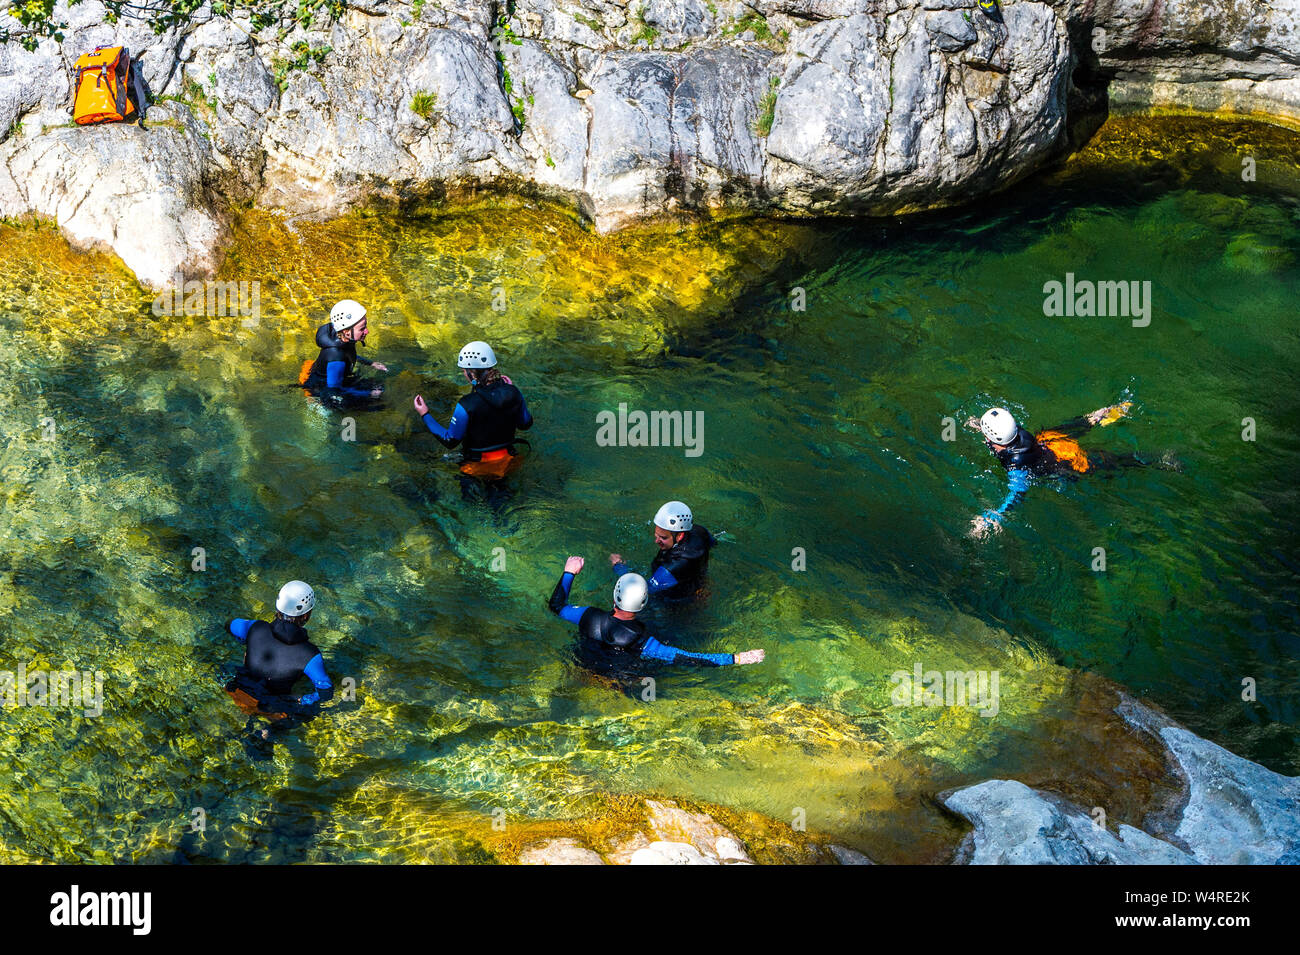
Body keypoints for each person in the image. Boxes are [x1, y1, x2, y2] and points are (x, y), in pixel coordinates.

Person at [548, 556, 763, 678]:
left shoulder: (587, 615)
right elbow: (688, 658)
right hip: (616, 682)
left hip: (578, 668)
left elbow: (557, 606)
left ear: (614, 596)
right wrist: (736, 658)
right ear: (643, 604)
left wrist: (570, 572)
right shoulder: (644, 642)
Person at [965, 402, 1140, 538]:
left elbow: (1017, 494)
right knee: (1077, 427)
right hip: (1052, 441)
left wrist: (993, 518)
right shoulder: (1016, 431)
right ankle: (1100, 416)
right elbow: (1000, 433)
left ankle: (1156, 460)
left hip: (1068, 463)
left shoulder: (1016, 464)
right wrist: (980, 427)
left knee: (1120, 461)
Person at [413, 341, 533, 500]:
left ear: (470, 373)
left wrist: (425, 414)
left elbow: (450, 441)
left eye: (463, 371)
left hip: (476, 466)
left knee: (471, 503)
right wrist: (511, 392)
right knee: (501, 502)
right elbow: (525, 424)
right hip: (508, 461)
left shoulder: (466, 404)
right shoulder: (513, 392)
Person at [225, 580, 333, 719]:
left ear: (278, 607)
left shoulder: (254, 627)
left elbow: (229, 625)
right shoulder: (310, 655)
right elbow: (326, 692)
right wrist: (303, 700)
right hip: (271, 708)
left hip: (236, 691)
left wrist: (245, 640)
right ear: (306, 615)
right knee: (310, 714)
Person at [609, 501, 715, 603]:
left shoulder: (675, 566)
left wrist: (619, 568)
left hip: (676, 600)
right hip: (694, 582)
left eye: (663, 538)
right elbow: (712, 543)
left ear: (680, 535)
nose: (656, 541)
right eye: (656, 535)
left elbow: (644, 591)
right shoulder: (699, 531)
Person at [301, 299, 389, 406]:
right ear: (346, 332)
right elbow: (333, 390)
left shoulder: (342, 336)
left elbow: (348, 354)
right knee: (379, 404)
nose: (367, 331)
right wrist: (368, 393)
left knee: (377, 385)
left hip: (331, 377)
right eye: (362, 328)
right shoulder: (336, 358)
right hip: (320, 390)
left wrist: (370, 363)